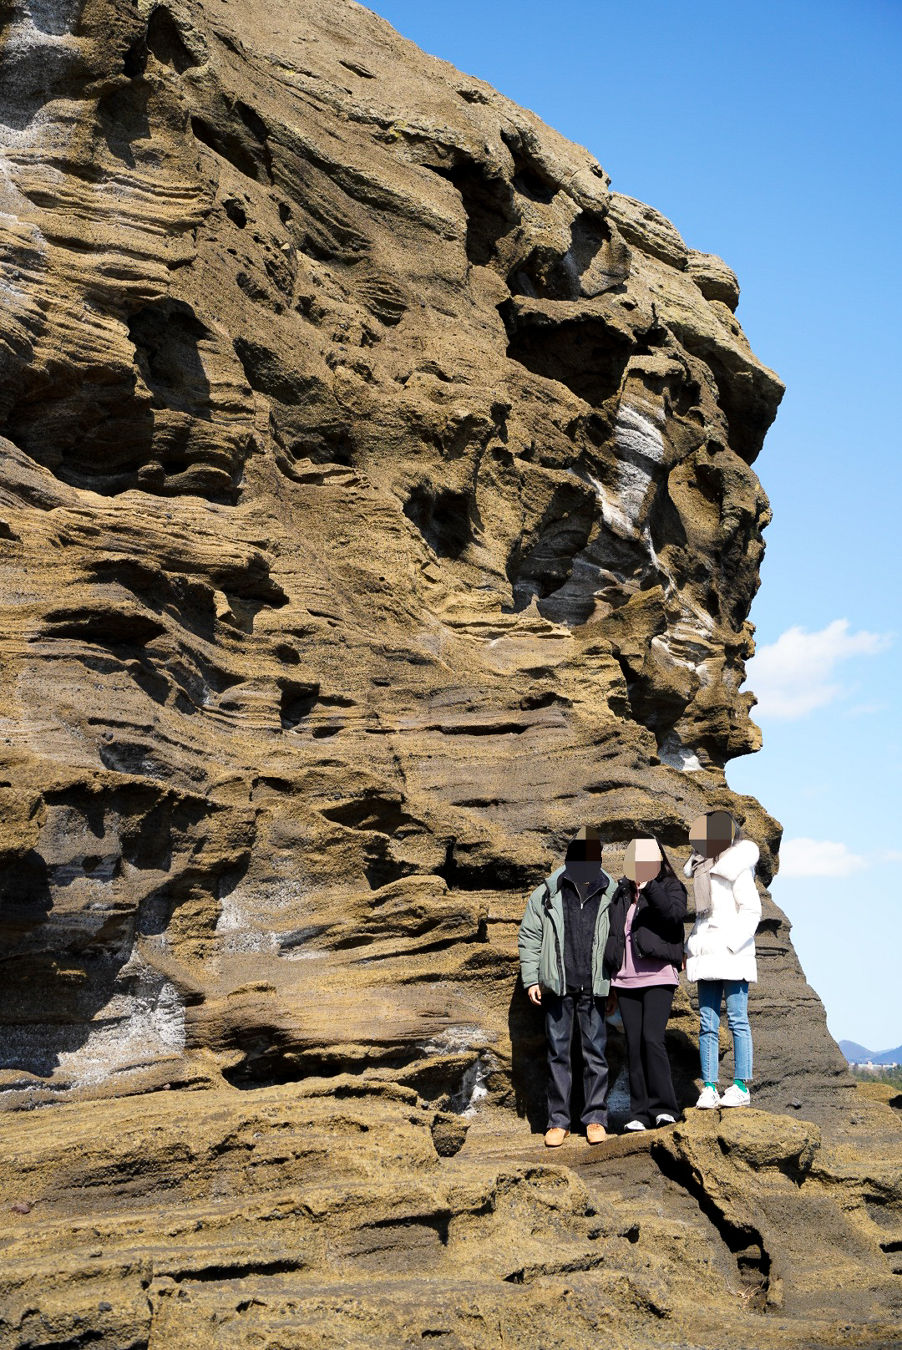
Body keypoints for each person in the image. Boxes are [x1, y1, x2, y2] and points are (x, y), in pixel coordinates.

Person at [518, 826, 617, 1147]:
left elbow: (621, 940)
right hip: (557, 985)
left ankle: (595, 1119)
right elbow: (530, 935)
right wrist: (531, 978)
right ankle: (558, 1121)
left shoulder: (611, 890)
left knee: (595, 1055)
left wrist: (615, 984)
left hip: (595, 985)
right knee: (558, 1055)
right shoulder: (548, 891)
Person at [604, 837, 687, 1132]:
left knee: (653, 1039)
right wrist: (610, 978)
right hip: (625, 979)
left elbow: (674, 917)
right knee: (634, 1044)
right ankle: (639, 1113)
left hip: (658, 976)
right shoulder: (622, 893)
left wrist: (650, 885)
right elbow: (614, 933)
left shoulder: (670, 887)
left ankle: (664, 1108)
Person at [684, 810, 761, 1109]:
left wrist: (730, 945)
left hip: (732, 954)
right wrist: (694, 944)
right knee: (707, 1022)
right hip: (707, 955)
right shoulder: (700, 867)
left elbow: (752, 911)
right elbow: (703, 917)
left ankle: (741, 1086)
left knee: (738, 1020)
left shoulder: (737, 867)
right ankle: (710, 1087)